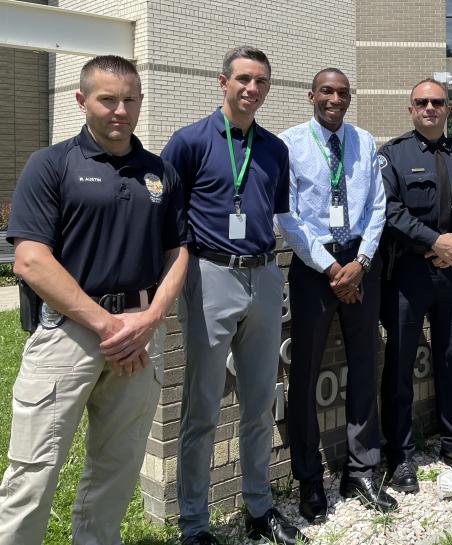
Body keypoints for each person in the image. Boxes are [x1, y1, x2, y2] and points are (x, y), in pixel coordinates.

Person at [0, 55, 188, 545]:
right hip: (71, 334)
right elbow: (30, 260)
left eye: (129, 99)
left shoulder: (159, 172)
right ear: (82, 100)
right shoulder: (52, 164)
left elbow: (178, 251)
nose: (119, 110)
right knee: (32, 473)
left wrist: (149, 319)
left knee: (116, 469)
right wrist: (109, 325)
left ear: (141, 101)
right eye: (107, 99)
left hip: (140, 336)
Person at [162, 47, 299, 545]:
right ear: (222, 81)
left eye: (261, 81)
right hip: (209, 277)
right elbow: (169, 219)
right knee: (201, 409)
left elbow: (273, 214)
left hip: (264, 277)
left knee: (261, 403)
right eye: (243, 79)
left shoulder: (273, 149)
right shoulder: (188, 143)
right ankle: (194, 524)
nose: (252, 89)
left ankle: (258, 507)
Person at [275, 67, 396, 521]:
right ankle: (309, 479)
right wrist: (330, 267)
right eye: (327, 91)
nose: (335, 98)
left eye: (343, 92)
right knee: (304, 373)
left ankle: (362, 469)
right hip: (313, 269)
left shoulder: (364, 141)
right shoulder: (289, 144)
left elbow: (377, 206)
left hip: (361, 264)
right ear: (311, 95)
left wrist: (360, 264)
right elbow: (286, 214)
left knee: (365, 364)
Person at [379, 78, 452, 492]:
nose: (430, 108)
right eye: (422, 102)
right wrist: (433, 241)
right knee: (400, 364)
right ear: (411, 109)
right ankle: (400, 454)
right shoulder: (392, 154)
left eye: (437, 102)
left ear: (447, 110)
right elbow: (388, 209)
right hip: (408, 272)